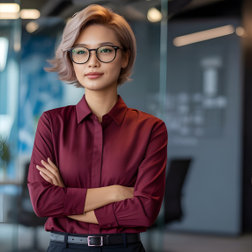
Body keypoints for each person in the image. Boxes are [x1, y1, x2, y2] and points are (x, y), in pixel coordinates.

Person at [28, 4, 167, 251]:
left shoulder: (150, 129)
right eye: (81, 52)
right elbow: (42, 202)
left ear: (124, 57)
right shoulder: (52, 123)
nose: (92, 62)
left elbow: (144, 212)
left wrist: (68, 201)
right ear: (72, 59)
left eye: (105, 50)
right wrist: (114, 192)